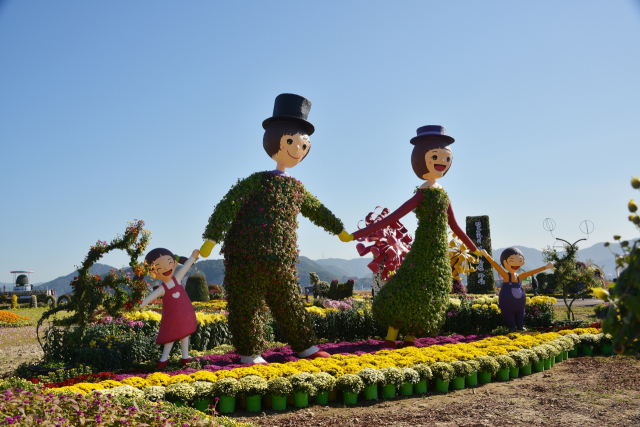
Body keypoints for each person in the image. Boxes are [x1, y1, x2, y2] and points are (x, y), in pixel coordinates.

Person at [199, 94, 350, 364]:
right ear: (274, 141)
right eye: (290, 141)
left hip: (281, 258)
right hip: (246, 254)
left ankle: (305, 347)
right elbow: (229, 205)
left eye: (303, 145)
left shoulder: (296, 188)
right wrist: (212, 237)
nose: (296, 148)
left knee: (289, 301)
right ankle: (250, 353)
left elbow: (317, 210)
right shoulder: (257, 181)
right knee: (248, 304)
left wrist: (340, 230)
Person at [345, 125, 480, 348]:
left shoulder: (443, 195)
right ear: (420, 159)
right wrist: (355, 235)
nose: (442, 162)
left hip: (438, 257)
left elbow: (454, 226)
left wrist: (474, 248)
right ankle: (391, 336)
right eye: (435, 157)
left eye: (446, 158)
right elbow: (390, 219)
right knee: (408, 286)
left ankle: (410, 337)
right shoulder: (422, 193)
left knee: (431, 293)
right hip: (422, 251)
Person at [139, 248, 199, 369]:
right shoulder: (163, 288)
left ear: (175, 264)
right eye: (159, 268)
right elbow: (150, 297)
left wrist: (193, 257)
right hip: (172, 318)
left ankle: (185, 357)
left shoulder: (177, 279)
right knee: (170, 337)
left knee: (185, 335)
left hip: (185, 314)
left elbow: (185, 267)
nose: (166, 268)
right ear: (153, 272)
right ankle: (163, 359)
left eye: (169, 263)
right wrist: (139, 305)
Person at [481, 247, 553, 332]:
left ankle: (520, 326)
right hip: (508, 303)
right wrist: (487, 256)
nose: (516, 264)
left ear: (523, 262)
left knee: (520, 313)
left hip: (520, 304)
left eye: (519, 261)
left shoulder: (520, 276)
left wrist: (545, 267)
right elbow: (496, 265)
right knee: (509, 314)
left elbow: (532, 272)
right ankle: (512, 327)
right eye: (511, 261)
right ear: (505, 262)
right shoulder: (506, 276)